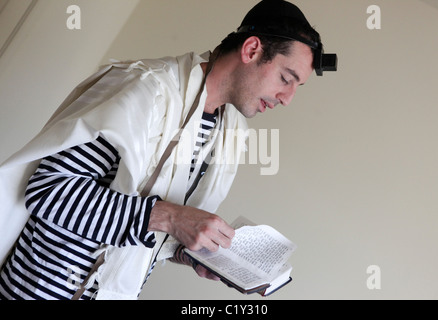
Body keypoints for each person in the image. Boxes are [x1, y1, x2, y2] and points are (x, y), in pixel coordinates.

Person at [0, 0, 336, 299]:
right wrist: (171, 217)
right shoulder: (146, 90)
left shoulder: (228, 131)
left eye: (297, 87)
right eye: (286, 78)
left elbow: (142, 229)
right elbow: (49, 190)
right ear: (251, 50)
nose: (287, 98)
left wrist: (189, 253)